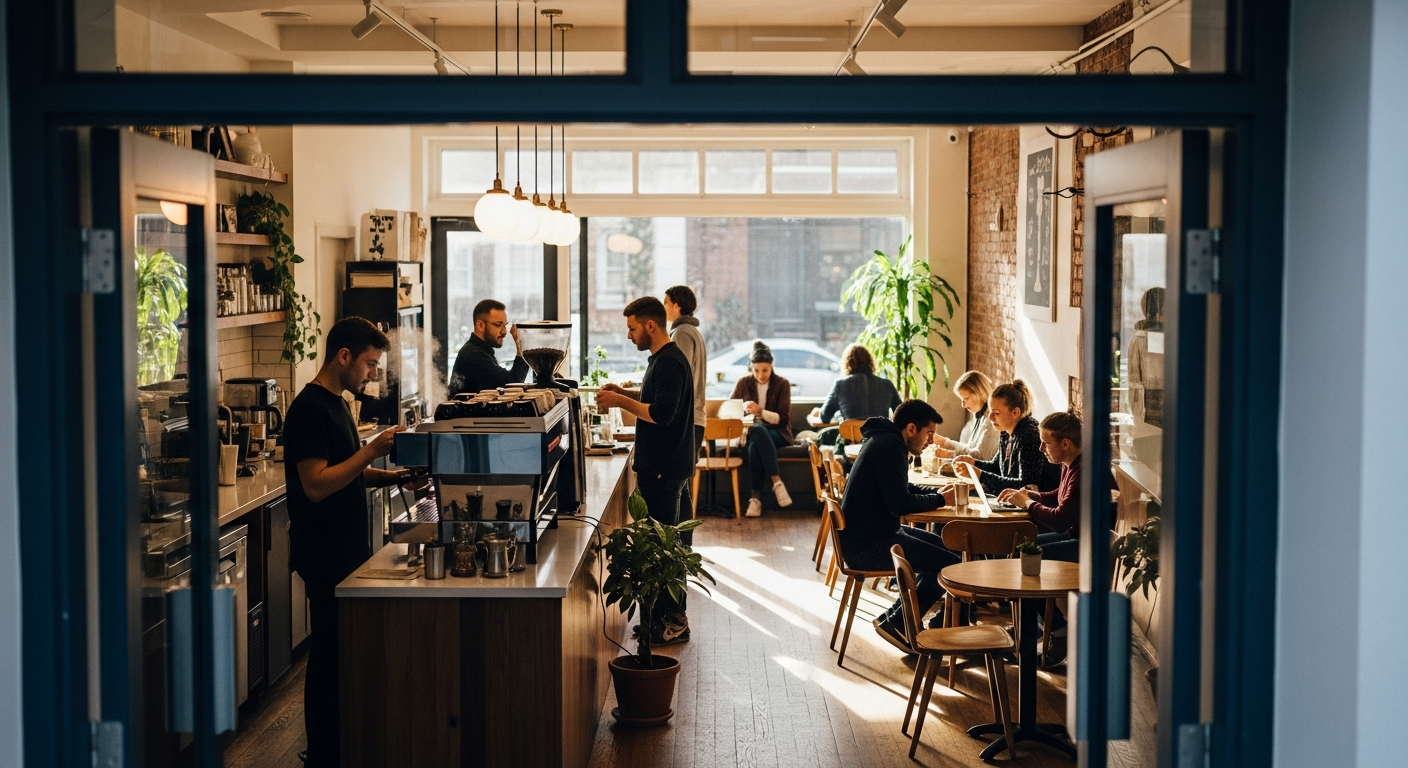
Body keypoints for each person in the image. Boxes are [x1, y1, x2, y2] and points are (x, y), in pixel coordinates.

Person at [284, 317, 427, 768]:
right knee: (328, 657)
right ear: (343, 356)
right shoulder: (310, 408)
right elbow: (316, 484)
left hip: (345, 549)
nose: (372, 373)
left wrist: (396, 475)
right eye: (369, 363)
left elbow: (348, 472)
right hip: (323, 552)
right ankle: (323, 754)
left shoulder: (339, 404)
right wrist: (372, 450)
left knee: (341, 653)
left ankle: (341, 744)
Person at [595, 296, 697, 644]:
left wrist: (622, 401)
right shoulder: (663, 360)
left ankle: (674, 623)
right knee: (667, 546)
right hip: (667, 467)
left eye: (632, 328)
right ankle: (664, 620)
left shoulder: (669, 362)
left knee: (666, 549)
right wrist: (624, 391)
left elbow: (663, 413)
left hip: (662, 470)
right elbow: (659, 397)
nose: (629, 335)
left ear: (650, 326)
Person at [835, 399, 961, 654]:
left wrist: (937, 493)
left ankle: (897, 619)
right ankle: (901, 622)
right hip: (868, 545)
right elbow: (899, 504)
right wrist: (939, 499)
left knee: (950, 549)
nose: (929, 441)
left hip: (869, 536)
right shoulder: (891, 446)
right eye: (929, 433)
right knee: (951, 565)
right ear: (912, 429)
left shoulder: (882, 439)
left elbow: (900, 488)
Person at [998, 411, 1082, 564]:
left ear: (1065, 443)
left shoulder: (1084, 472)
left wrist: (1027, 503)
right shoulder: (1069, 462)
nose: (1041, 448)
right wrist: (1033, 496)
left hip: (1087, 546)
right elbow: (1062, 494)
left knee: (1021, 553)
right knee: (1015, 545)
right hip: (1074, 536)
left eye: (1046, 443)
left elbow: (1059, 521)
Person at [955, 379, 1062, 495]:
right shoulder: (1005, 432)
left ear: (1015, 412)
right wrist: (974, 463)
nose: (990, 417)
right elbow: (996, 467)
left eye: (996, 413)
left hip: (1040, 506)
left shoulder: (1030, 436)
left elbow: (1025, 486)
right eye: (990, 411)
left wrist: (979, 475)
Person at [729, 340, 795, 517]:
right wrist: (744, 412)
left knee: (757, 437)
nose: (760, 375)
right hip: (752, 432)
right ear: (751, 367)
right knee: (756, 438)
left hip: (779, 432)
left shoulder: (782, 384)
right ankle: (777, 484)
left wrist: (760, 411)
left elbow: (783, 419)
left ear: (772, 367)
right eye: (756, 370)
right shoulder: (743, 382)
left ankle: (755, 499)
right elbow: (730, 409)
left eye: (765, 370)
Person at [813, 343, 901, 445]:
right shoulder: (887, 385)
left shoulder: (840, 385)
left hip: (851, 443)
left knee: (821, 437)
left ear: (847, 363)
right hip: (880, 443)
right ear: (870, 362)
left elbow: (825, 417)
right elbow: (900, 415)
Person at [448, 298, 529, 397]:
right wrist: (521, 345)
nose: (504, 331)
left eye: (505, 325)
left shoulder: (478, 350)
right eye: (498, 325)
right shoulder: (473, 355)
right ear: (481, 325)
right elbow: (513, 383)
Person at [664, 285, 707, 461]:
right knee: (681, 483)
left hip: (687, 420)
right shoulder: (692, 331)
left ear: (676, 305)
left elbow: (679, 373)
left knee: (676, 481)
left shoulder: (682, 333)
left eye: (665, 302)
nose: (663, 307)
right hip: (693, 418)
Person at [933, 370, 1000, 459]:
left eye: (966, 398)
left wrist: (948, 453)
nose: (963, 405)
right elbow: (970, 448)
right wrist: (942, 441)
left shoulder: (992, 419)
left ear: (979, 393)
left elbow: (981, 457)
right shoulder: (979, 415)